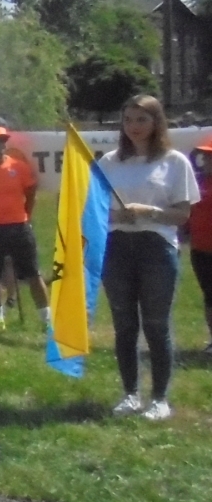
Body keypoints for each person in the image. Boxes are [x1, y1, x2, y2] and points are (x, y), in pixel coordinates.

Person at [99, 95, 198, 421]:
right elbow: (92, 213)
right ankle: (130, 394)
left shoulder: (174, 162)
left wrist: (149, 212)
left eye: (141, 120)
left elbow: (182, 215)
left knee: (156, 326)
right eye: (128, 120)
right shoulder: (108, 163)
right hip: (116, 249)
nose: (133, 127)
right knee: (124, 325)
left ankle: (159, 399)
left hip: (157, 249)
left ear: (156, 122)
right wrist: (115, 216)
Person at [0, 125, 50, 332]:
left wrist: (26, 216)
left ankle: (46, 320)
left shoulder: (19, 167)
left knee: (33, 274)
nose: (0, 145)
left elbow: (31, 193)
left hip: (18, 226)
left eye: (3, 141)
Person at [189, 139, 212, 353]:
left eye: (209, 156)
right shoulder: (197, 182)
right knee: (209, 295)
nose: (205, 160)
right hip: (201, 249)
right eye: (204, 156)